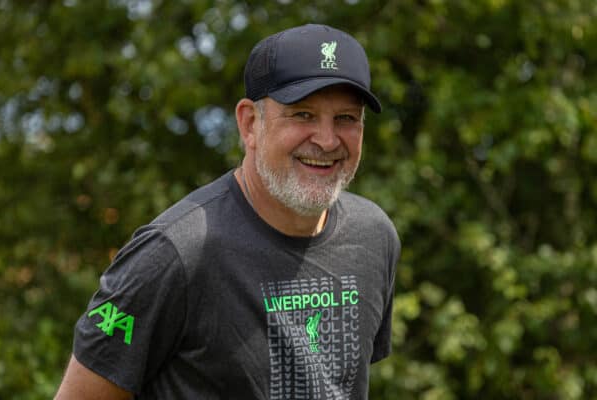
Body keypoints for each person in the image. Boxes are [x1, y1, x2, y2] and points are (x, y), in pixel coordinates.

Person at [55, 23, 400, 400]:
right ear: (250, 123)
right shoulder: (175, 253)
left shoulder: (374, 236)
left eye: (346, 119)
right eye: (303, 115)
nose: (327, 139)